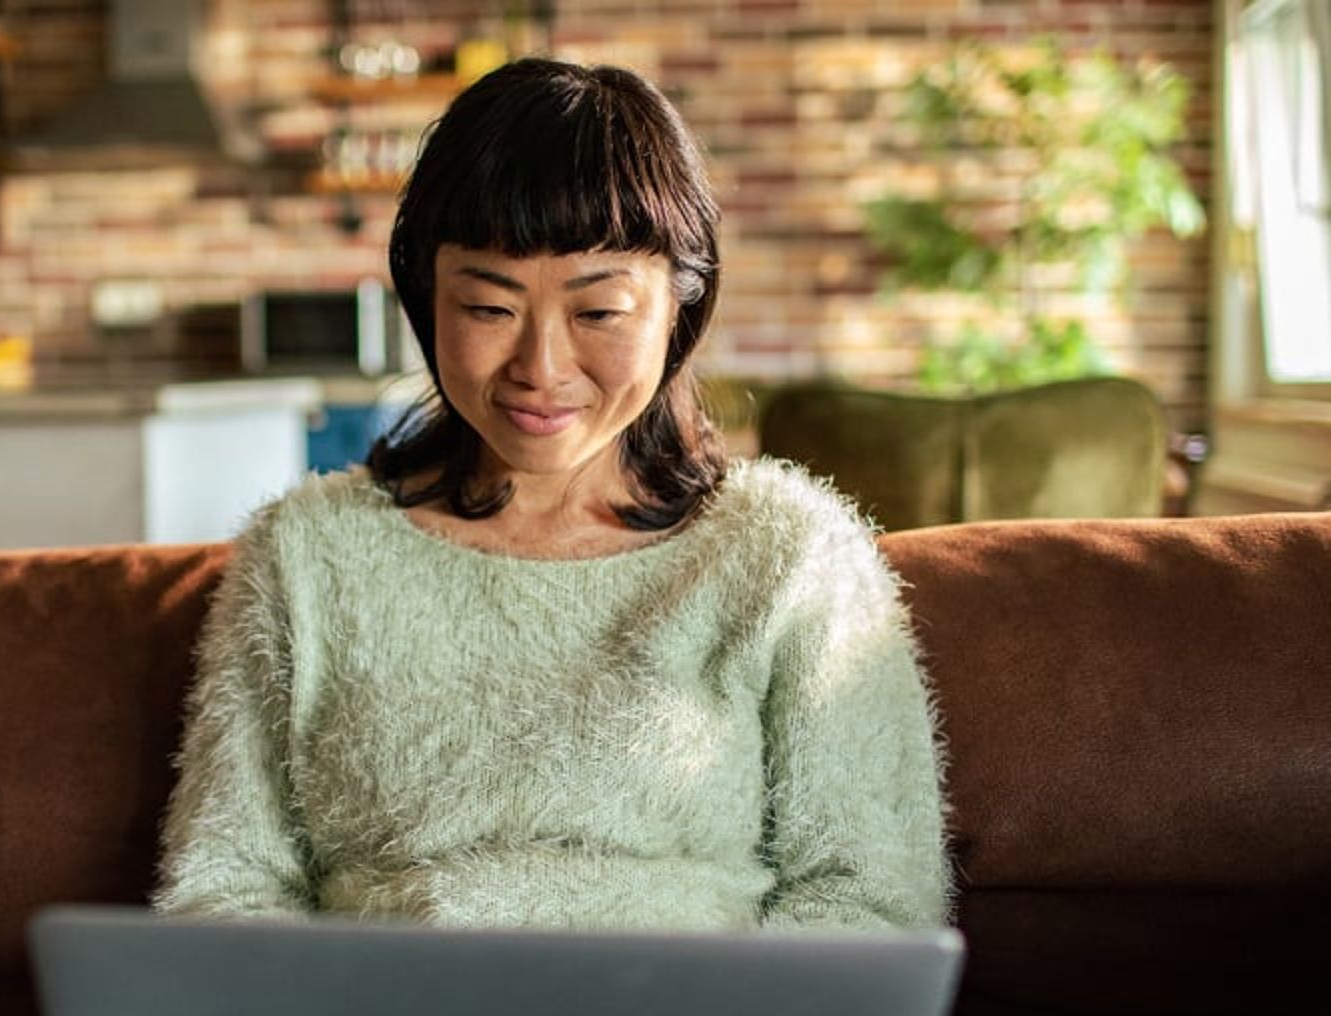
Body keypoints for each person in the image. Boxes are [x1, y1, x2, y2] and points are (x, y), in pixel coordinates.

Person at [152, 58, 950, 931]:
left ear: (679, 309)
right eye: (489, 309)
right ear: (427, 302)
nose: (541, 369)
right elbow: (222, 891)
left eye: (599, 312)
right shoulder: (304, 555)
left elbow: (873, 899)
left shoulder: (789, 554)